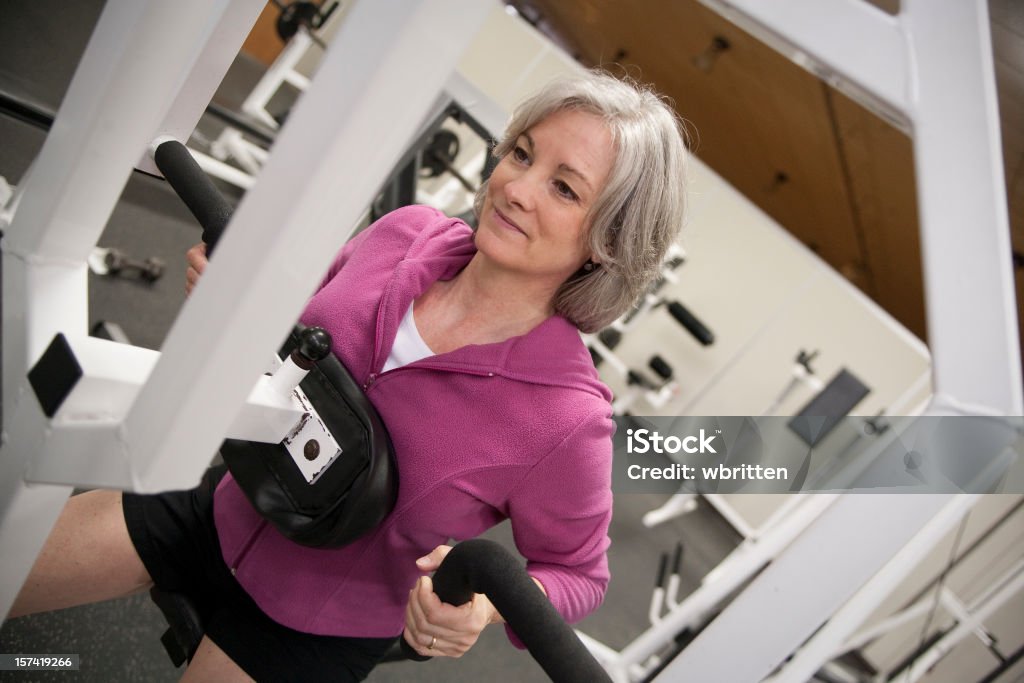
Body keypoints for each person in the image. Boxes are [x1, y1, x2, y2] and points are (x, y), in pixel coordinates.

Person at [9, 68, 688, 681]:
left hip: (312, 626)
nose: (516, 188)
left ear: (607, 242)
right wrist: (234, 309)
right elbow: (295, 339)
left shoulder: (568, 419)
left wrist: (483, 608)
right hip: (227, 499)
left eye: (563, 187)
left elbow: (578, 572)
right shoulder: (405, 232)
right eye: (521, 153)